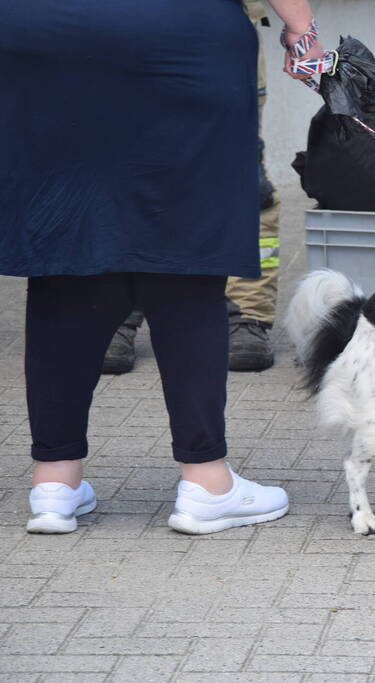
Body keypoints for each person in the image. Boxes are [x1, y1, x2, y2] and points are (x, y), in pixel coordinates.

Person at [0, 0, 325, 534]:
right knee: (185, 244)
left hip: (44, 33)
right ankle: (206, 482)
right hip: (178, 33)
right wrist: (302, 30)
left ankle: (54, 483)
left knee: (67, 242)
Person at [103, 0, 282, 375]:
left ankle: (246, 314)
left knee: (242, 180)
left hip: (220, 32)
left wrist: (302, 29)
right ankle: (115, 310)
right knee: (124, 172)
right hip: (117, 29)